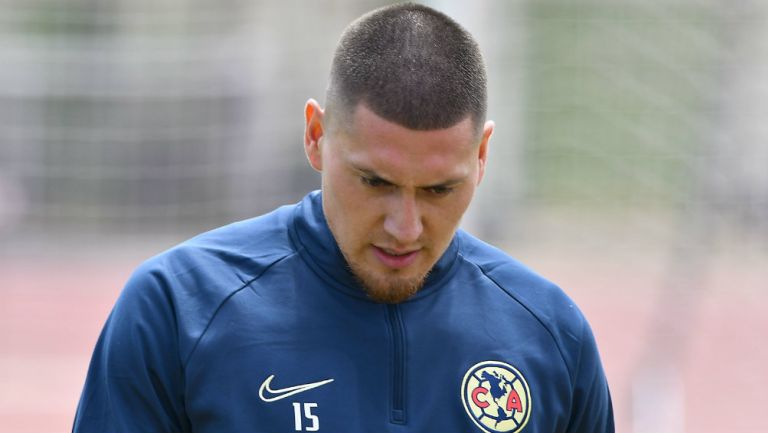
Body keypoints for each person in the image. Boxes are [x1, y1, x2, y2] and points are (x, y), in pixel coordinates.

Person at [73, 3, 614, 433]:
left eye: (439, 190)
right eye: (375, 182)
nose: (406, 227)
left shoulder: (550, 335)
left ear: (482, 158)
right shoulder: (175, 308)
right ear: (316, 135)